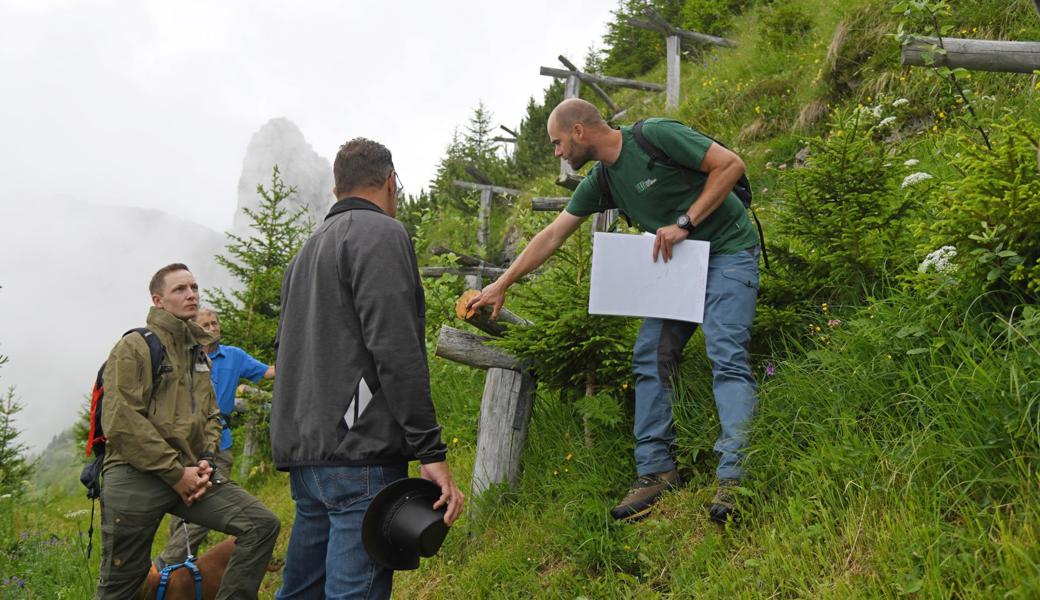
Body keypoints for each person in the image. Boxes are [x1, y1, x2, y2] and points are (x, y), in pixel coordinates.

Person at [469, 98, 761, 524]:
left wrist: (685, 222)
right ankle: (657, 471)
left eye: (557, 142)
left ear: (579, 131)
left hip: (730, 251)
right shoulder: (602, 182)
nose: (557, 153)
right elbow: (552, 235)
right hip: (679, 265)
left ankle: (736, 475)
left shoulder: (656, 137)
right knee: (650, 356)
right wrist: (501, 284)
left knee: (726, 353)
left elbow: (731, 164)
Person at [271, 137, 465, 599]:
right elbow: (395, 350)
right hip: (361, 455)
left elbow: (286, 354)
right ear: (391, 181)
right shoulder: (381, 234)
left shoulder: (303, 255)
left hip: (307, 457)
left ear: (337, 187)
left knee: (300, 593)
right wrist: (430, 452)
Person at [94, 263, 280, 599]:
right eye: (180, 289)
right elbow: (121, 421)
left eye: (194, 287)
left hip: (191, 475)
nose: (191, 294)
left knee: (260, 525)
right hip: (135, 474)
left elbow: (210, 414)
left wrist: (206, 459)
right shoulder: (136, 346)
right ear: (158, 300)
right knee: (122, 588)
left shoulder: (198, 352)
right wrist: (175, 471)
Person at [156, 307, 276, 569]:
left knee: (210, 507)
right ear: (194, 329)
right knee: (182, 510)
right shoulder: (184, 358)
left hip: (220, 445)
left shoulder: (233, 356)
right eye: (206, 324)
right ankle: (181, 574)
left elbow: (269, 372)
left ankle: (164, 567)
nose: (212, 328)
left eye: (215, 323)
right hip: (185, 446)